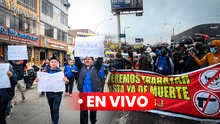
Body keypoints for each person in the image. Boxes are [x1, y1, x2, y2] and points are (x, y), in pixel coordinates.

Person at [35, 56, 69, 124]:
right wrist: (37, 80)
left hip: (58, 93)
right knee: (51, 108)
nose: (53, 63)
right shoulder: (45, 73)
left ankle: (55, 122)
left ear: (57, 63)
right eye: (52, 62)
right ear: (49, 63)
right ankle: (53, 120)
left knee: (55, 109)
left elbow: (66, 81)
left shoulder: (61, 72)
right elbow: (41, 81)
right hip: (49, 93)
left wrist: (66, 81)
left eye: (55, 62)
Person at [75, 56, 103, 124]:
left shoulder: (96, 67)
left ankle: (93, 121)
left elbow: (100, 60)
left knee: (93, 110)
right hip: (83, 93)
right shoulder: (81, 67)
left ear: (93, 61)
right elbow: (77, 59)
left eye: (89, 59)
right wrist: (75, 49)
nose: (87, 60)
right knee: (83, 110)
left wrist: (101, 48)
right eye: (86, 59)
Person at [0, 56, 17, 124]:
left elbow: (15, 82)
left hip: (3, 97)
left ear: (2, 63)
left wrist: (11, 76)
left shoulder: (10, 71)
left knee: (1, 116)